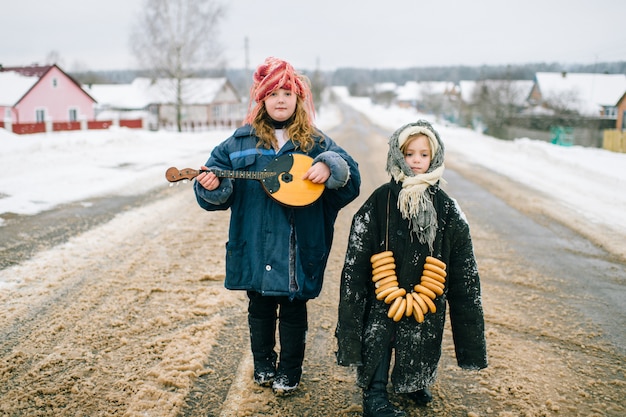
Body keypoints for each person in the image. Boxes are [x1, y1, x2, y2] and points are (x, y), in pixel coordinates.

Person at [194, 57, 361, 396]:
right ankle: (264, 364)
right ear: (262, 100)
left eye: (288, 92)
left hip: (298, 244)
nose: (281, 99)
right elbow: (214, 184)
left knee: (294, 308)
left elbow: (352, 178)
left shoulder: (315, 143)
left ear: (299, 99)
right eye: (273, 93)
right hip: (254, 241)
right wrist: (212, 187)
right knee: (260, 306)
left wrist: (330, 167)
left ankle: (289, 371)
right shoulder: (239, 143)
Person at [335, 119, 487, 416]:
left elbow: (464, 275)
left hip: (425, 293)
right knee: (380, 333)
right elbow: (357, 252)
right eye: (409, 154)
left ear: (435, 158)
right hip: (383, 291)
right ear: (397, 155)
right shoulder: (381, 199)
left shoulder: (446, 208)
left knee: (422, 333)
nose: (416, 160)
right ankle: (374, 392)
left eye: (424, 154)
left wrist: (470, 344)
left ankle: (414, 381)